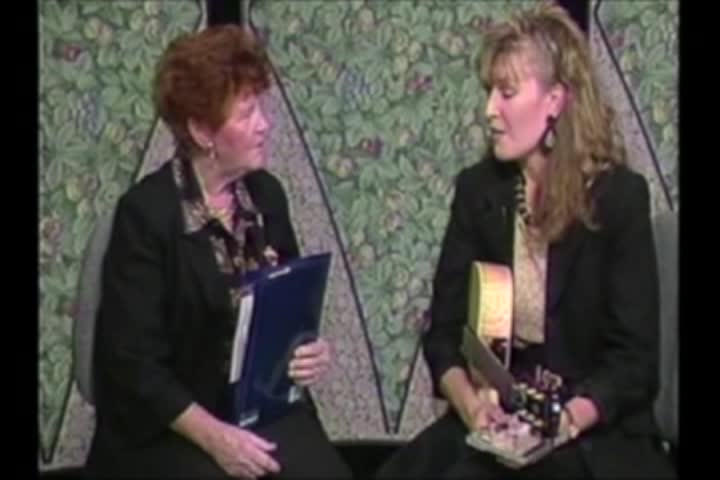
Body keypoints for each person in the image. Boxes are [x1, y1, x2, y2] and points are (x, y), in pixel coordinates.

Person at [377, 3, 676, 479]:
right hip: (502, 418)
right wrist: (471, 404)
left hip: (591, 432)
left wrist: (565, 420)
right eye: (489, 92)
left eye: (507, 93)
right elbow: (444, 334)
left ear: (555, 100)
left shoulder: (619, 198)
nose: (489, 111)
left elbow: (634, 364)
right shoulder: (478, 191)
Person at [85, 24, 353, 479]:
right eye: (247, 114)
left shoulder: (267, 195)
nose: (264, 125)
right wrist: (216, 439)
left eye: (261, 108)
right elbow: (135, 368)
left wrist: (308, 349)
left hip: (255, 408)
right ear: (201, 130)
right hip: (170, 423)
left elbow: (288, 308)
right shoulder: (146, 216)